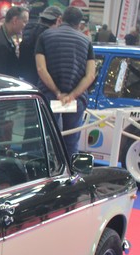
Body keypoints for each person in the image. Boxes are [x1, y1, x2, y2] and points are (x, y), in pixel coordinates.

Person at [35, 6, 95, 158]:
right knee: (71, 141)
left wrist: (57, 93)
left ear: (61, 19)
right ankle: (70, 170)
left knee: (47, 139)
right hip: (75, 101)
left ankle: (48, 169)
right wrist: (71, 96)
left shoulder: (45, 36)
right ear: (79, 24)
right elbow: (90, 76)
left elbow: (41, 69)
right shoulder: (86, 41)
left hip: (49, 96)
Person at [17, 5, 60, 86]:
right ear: (58, 21)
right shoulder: (50, 38)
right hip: (43, 83)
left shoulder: (27, 32)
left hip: (24, 81)